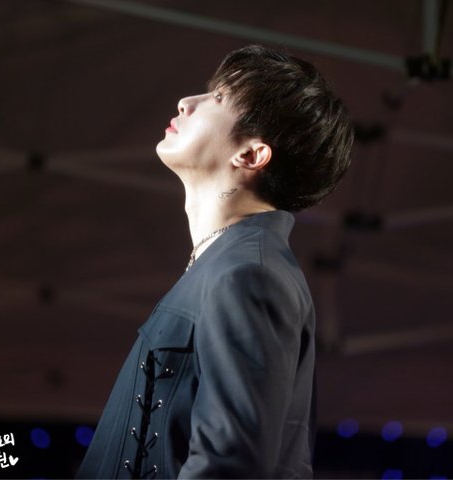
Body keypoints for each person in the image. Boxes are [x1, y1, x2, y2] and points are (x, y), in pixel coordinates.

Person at [76, 44, 353, 479]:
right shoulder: (228, 265)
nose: (186, 102)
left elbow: (230, 462)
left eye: (219, 97)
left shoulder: (248, 274)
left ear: (251, 155)